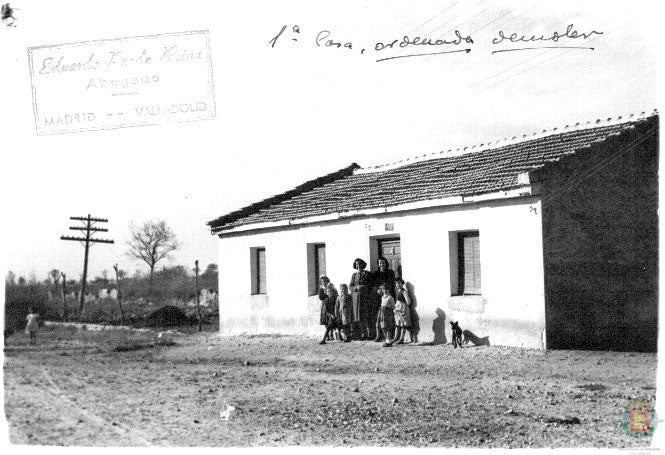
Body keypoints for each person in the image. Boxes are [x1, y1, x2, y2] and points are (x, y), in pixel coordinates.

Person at [372, 257, 396, 342]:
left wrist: (383, 289)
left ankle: (389, 336)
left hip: (387, 296)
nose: (381, 265)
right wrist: (377, 290)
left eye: (383, 263)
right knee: (378, 318)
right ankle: (378, 335)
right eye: (380, 263)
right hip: (378, 298)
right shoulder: (375, 274)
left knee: (388, 319)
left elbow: (391, 284)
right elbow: (373, 284)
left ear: (386, 263)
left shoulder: (390, 272)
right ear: (378, 264)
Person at [349, 258, 371, 340]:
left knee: (365, 315)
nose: (358, 266)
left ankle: (367, 334)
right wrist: (356, 288)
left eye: (360, 264)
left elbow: (371, 285)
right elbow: (350, 286)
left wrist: (363, 287)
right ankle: (359, 334)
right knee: (357, 316)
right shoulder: (354, 275)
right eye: (357, 264)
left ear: (363, 264)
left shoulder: (367, 274)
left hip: (365, 297)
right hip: (355, 298)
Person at [387, 278, 411, 345]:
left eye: (399, 283)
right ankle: (395, 338)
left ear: (402, 283)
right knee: (398, 323)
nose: (397, 284)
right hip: (398, 309)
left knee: (403, 324)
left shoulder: (404, 292)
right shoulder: (398, 291)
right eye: (396, 283)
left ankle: (401, 339)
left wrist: (403, 307)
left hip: (402, 309)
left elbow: (408, 301)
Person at [318, 277, 338, 344]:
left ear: (327, 281)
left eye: (325, 281)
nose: (324, 282)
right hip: (325, 305)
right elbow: (321, 297)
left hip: (331, 305)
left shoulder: (331, 287)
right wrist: (327, 295)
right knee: (326, 320)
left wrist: (329, 294)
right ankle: (328, 336)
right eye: (322, 281)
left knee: (331, 320)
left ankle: (331, 334)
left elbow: (335, 294)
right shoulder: (321, 289)